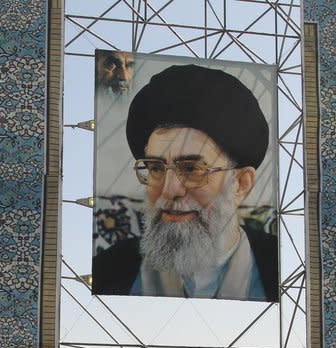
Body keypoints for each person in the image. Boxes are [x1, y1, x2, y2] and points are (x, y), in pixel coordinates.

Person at [92, 63, 279, 302]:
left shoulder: (282, 267)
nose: (169, 191)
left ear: (241, 184)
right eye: (156, 168)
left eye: (191, 169)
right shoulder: (106, 271)